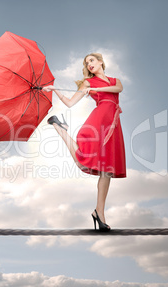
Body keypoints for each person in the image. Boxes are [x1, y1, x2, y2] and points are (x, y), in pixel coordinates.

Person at [42, 53, 126, 232]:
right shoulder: (88, 83)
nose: (89, 64)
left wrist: (99, 90)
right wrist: (54, 90)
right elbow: (70, 103)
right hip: (99, 120)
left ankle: (99, 212)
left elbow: (118, 89)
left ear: (101, 62)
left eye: (92, 60)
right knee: (83, 158)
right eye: (87, 63)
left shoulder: (114, 80)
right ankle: (59, 128)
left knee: (107, 170)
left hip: (112, 124)